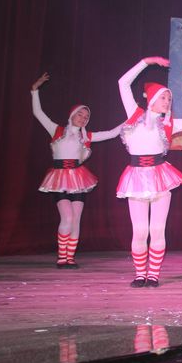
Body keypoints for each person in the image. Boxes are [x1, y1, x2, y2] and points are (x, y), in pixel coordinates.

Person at [116, 57, 182, 288]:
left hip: (160, 177)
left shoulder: (169, 124)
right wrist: (146, 62)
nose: (168, 102)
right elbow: (123, 83)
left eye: (169, 99)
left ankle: (153, 275)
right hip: (137, 177)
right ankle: (140, 274)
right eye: (163, 97)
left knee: (157, 229)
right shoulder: (134, 115)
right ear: (152, 99)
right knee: (140, 230)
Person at [31, 72, 120, 269]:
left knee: (76, 219)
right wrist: (35, 90)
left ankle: (70, 257)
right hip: (59, 178)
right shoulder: (56, 130)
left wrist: (133, 118)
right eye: (80, 114)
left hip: (79, 179)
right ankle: (61, 257)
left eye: (86, 117)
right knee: (67, 217)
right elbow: (38, 113)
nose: (83, 118)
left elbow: (113, 133)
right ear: (72, 115)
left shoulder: (86, 137)